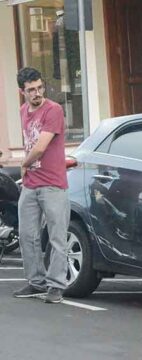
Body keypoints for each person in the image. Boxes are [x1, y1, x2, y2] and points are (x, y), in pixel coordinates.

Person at [13, 67, 70, 304]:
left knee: (57, 236)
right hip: (31, 184)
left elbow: (39, 147)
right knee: (27, 234)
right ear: (22, 91)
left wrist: (23, 165)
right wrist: (27, 171)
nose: (36, 93)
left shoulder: (53, 110)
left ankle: (56, 285)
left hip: (53, 183)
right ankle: (35, 282)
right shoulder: (23, 111)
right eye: (31, 90)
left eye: (39, 88)